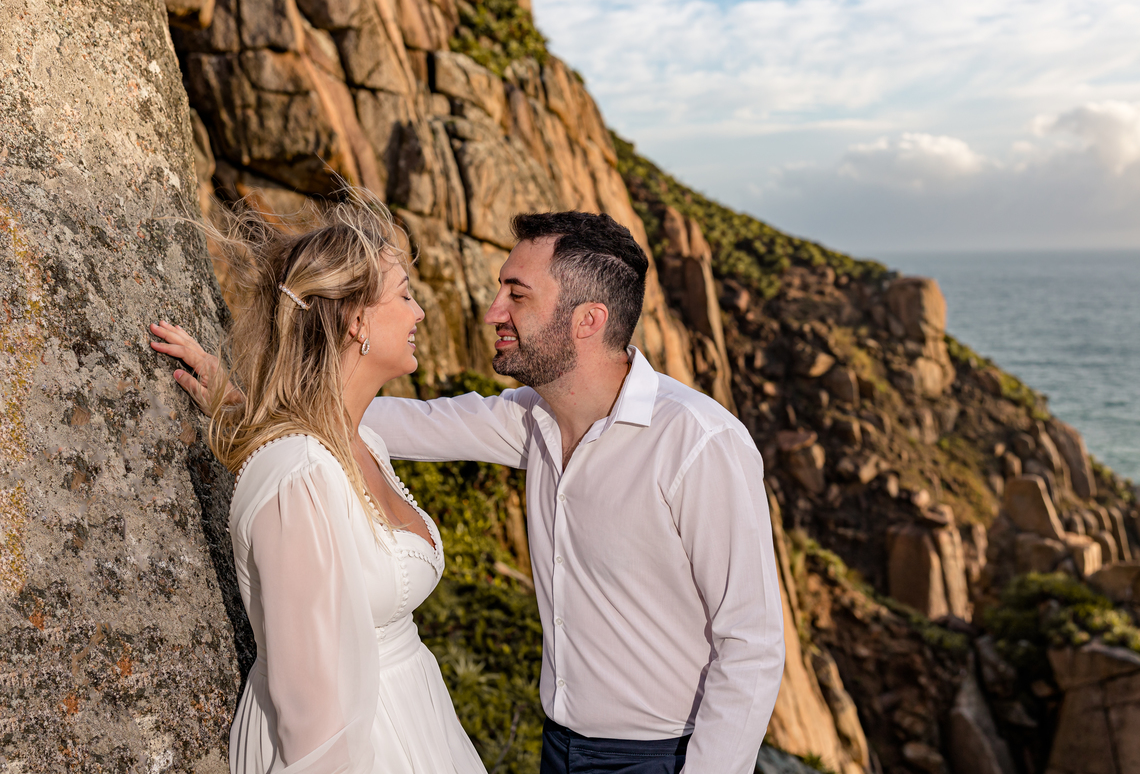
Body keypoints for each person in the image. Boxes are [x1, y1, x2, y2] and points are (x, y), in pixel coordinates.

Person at [157, 210, 786, 774]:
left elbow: (752, 648)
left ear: (587, 321)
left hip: (663, 756)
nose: (493, 310)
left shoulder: (700, 445)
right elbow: (364, 419)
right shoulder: (530, 419)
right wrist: (237, 399)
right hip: (559, 748)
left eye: (518, 293)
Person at [150, 201, 488, 774]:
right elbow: (312, 722)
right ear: (356, 319)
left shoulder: (365, 444)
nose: (420, 312)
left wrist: (232, 399)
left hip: (418, 722)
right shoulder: (296, 474)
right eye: (404, 295)